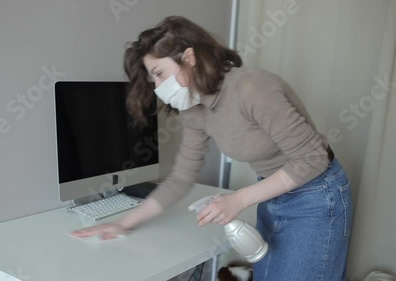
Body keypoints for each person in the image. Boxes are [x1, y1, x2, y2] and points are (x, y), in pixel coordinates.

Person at [71, 16, 353, 281]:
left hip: (315, 195)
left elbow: (313, 158)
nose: (157, 86)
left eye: (159, 73)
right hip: (273, 192)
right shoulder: (194, 110)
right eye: (152, 79)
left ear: (189, 58)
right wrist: (124, 223)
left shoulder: (251, 88)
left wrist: (239, 200)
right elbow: (181, 177)